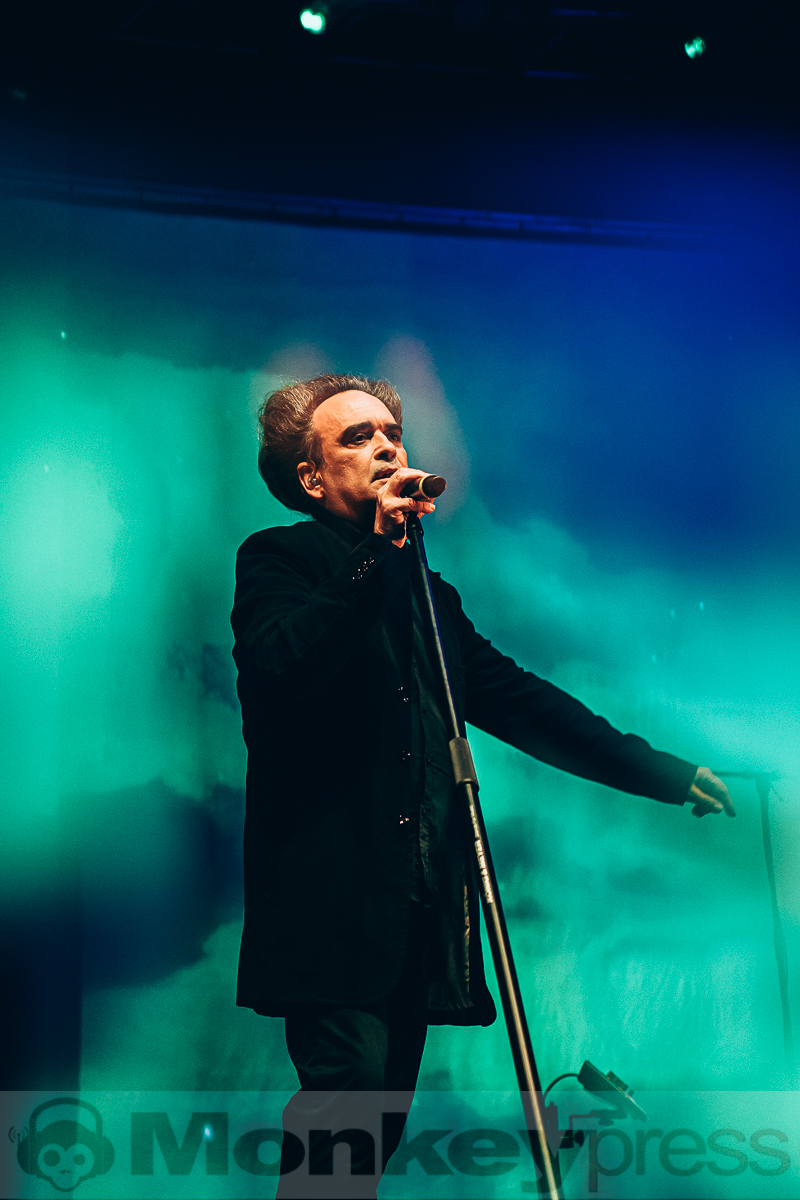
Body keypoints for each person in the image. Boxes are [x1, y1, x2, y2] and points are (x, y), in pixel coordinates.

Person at [230, 373, 734, 1197]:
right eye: (357, 436)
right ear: (311, 479)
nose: (385, 444)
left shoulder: (429, 597)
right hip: (332, 915)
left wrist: (666, 775)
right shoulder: (279, 558)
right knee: (343, 1110)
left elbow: (524, 704)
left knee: (371, 1136)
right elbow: (283, 668)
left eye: (390, 432)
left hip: (415, 912)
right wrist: (377, 555)